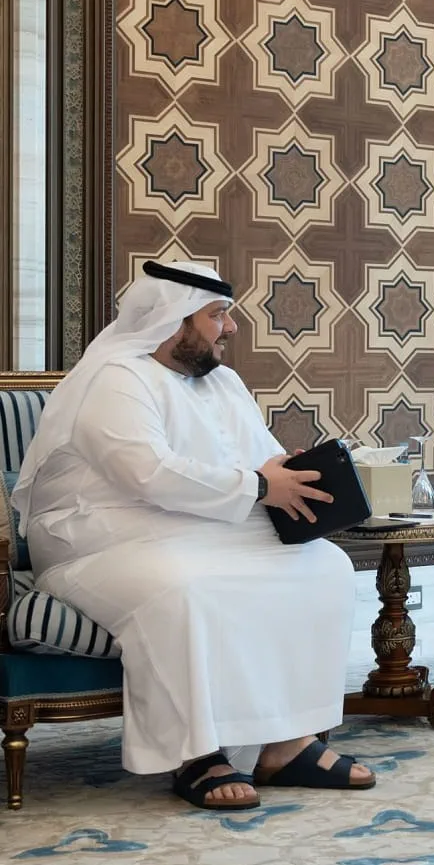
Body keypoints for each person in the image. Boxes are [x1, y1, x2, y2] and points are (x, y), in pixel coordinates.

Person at [16, 261, 372, 811]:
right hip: (100, 541)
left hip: (204, 529)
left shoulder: (223, 382)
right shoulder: (115, 378)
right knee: (184, 587)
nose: (229, 328)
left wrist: (285, 469)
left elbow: (258, 456)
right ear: (172, 320)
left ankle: (286, 743)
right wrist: (258, 485)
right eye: (217, 315)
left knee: (324, 566)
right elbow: (148, 472)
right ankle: (196, 755)